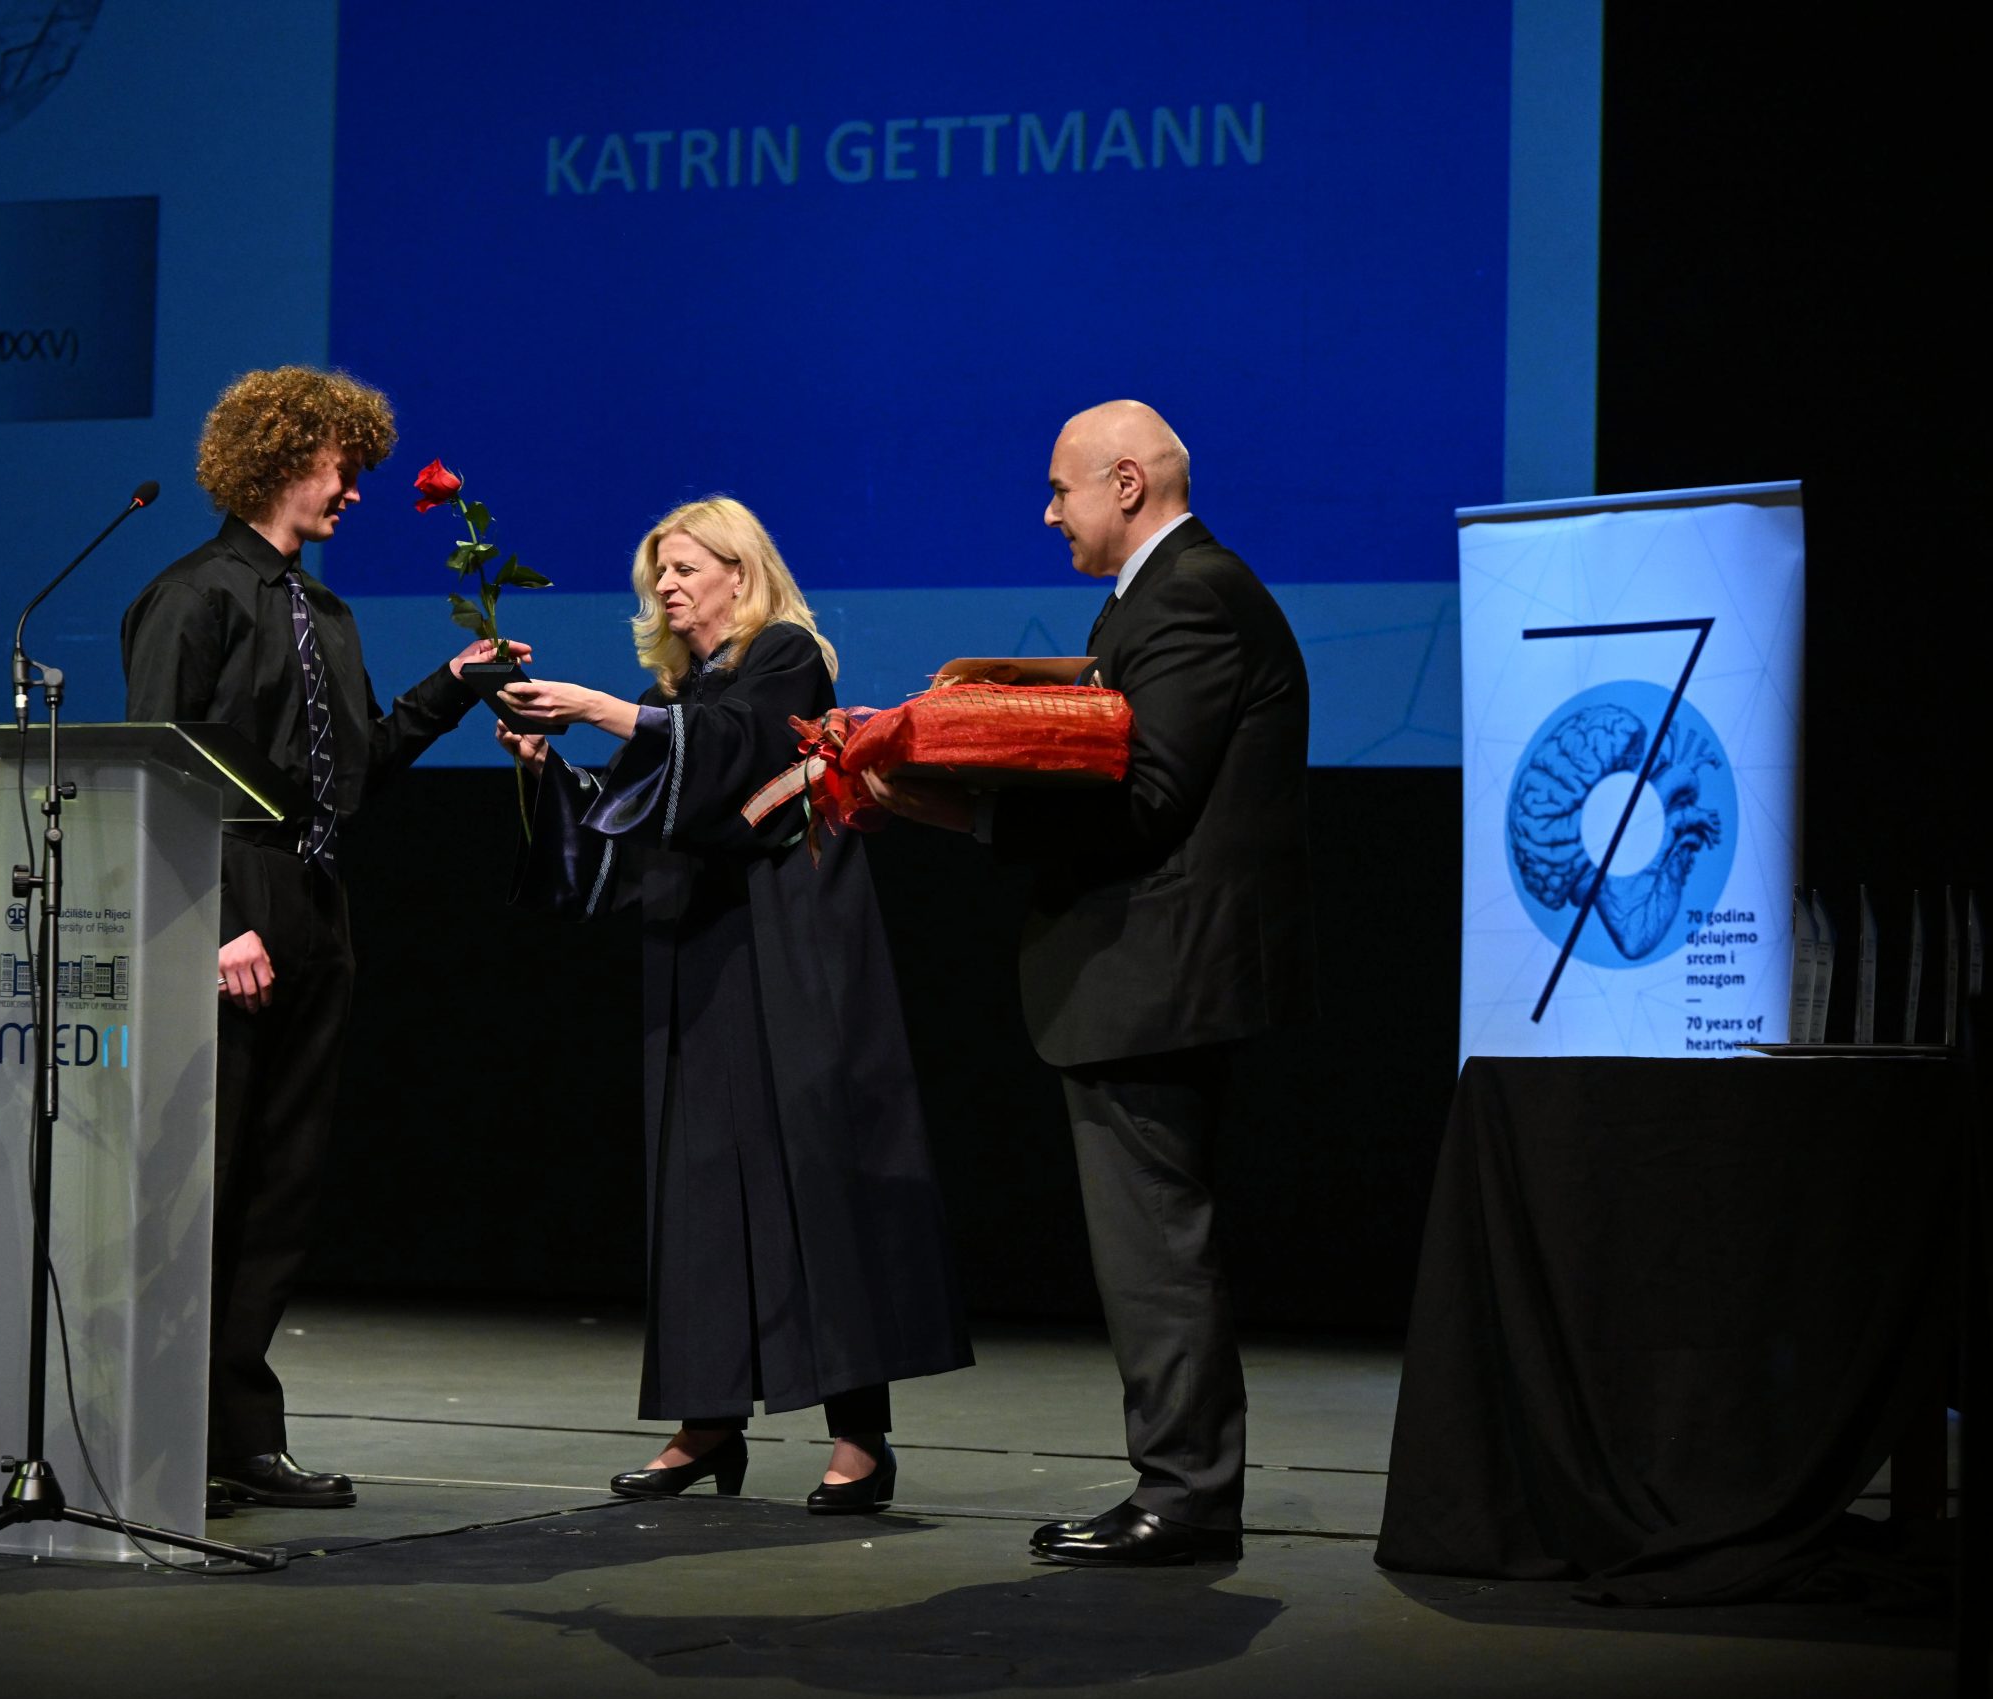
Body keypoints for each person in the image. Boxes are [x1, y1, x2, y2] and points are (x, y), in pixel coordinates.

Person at [867, 401, 1311, 1565]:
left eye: (1060, 489)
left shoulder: (1189, 596)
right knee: (1150, 1242)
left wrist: (961, 806)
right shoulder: (1154, 600)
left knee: (1154, 1245)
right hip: (1145, 972)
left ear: (1125, 483)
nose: (1047, 512)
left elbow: (1146, 801)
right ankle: (1182, 1484)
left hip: (1158, 974)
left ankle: (1187, 1495)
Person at [498, 496, 971, 1513]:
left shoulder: (785, 657)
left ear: (740, 573)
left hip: (790, 937)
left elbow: (737, 748)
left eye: (686, 567)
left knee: (816, 1167)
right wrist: (548, 770)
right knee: (698, 1176)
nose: (667, 587)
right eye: (658, 574)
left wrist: (603, 710)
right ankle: (707, 1421)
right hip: (699, 944)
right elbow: (626, 820)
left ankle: (860, 1436)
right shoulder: (677, 691)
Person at [122, 366, 521, 1510]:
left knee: (280, 1185)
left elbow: (355, 774)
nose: (354, 491)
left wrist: (454, 687)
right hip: (222, 896)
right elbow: (155, 772)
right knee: (198, 1183)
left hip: (313, 902)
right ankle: (157, 1433)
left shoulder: (327, 616)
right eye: (345, 467)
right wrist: (214, 924)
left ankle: (239, 1435)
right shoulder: (192, 596)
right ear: (286, 454)